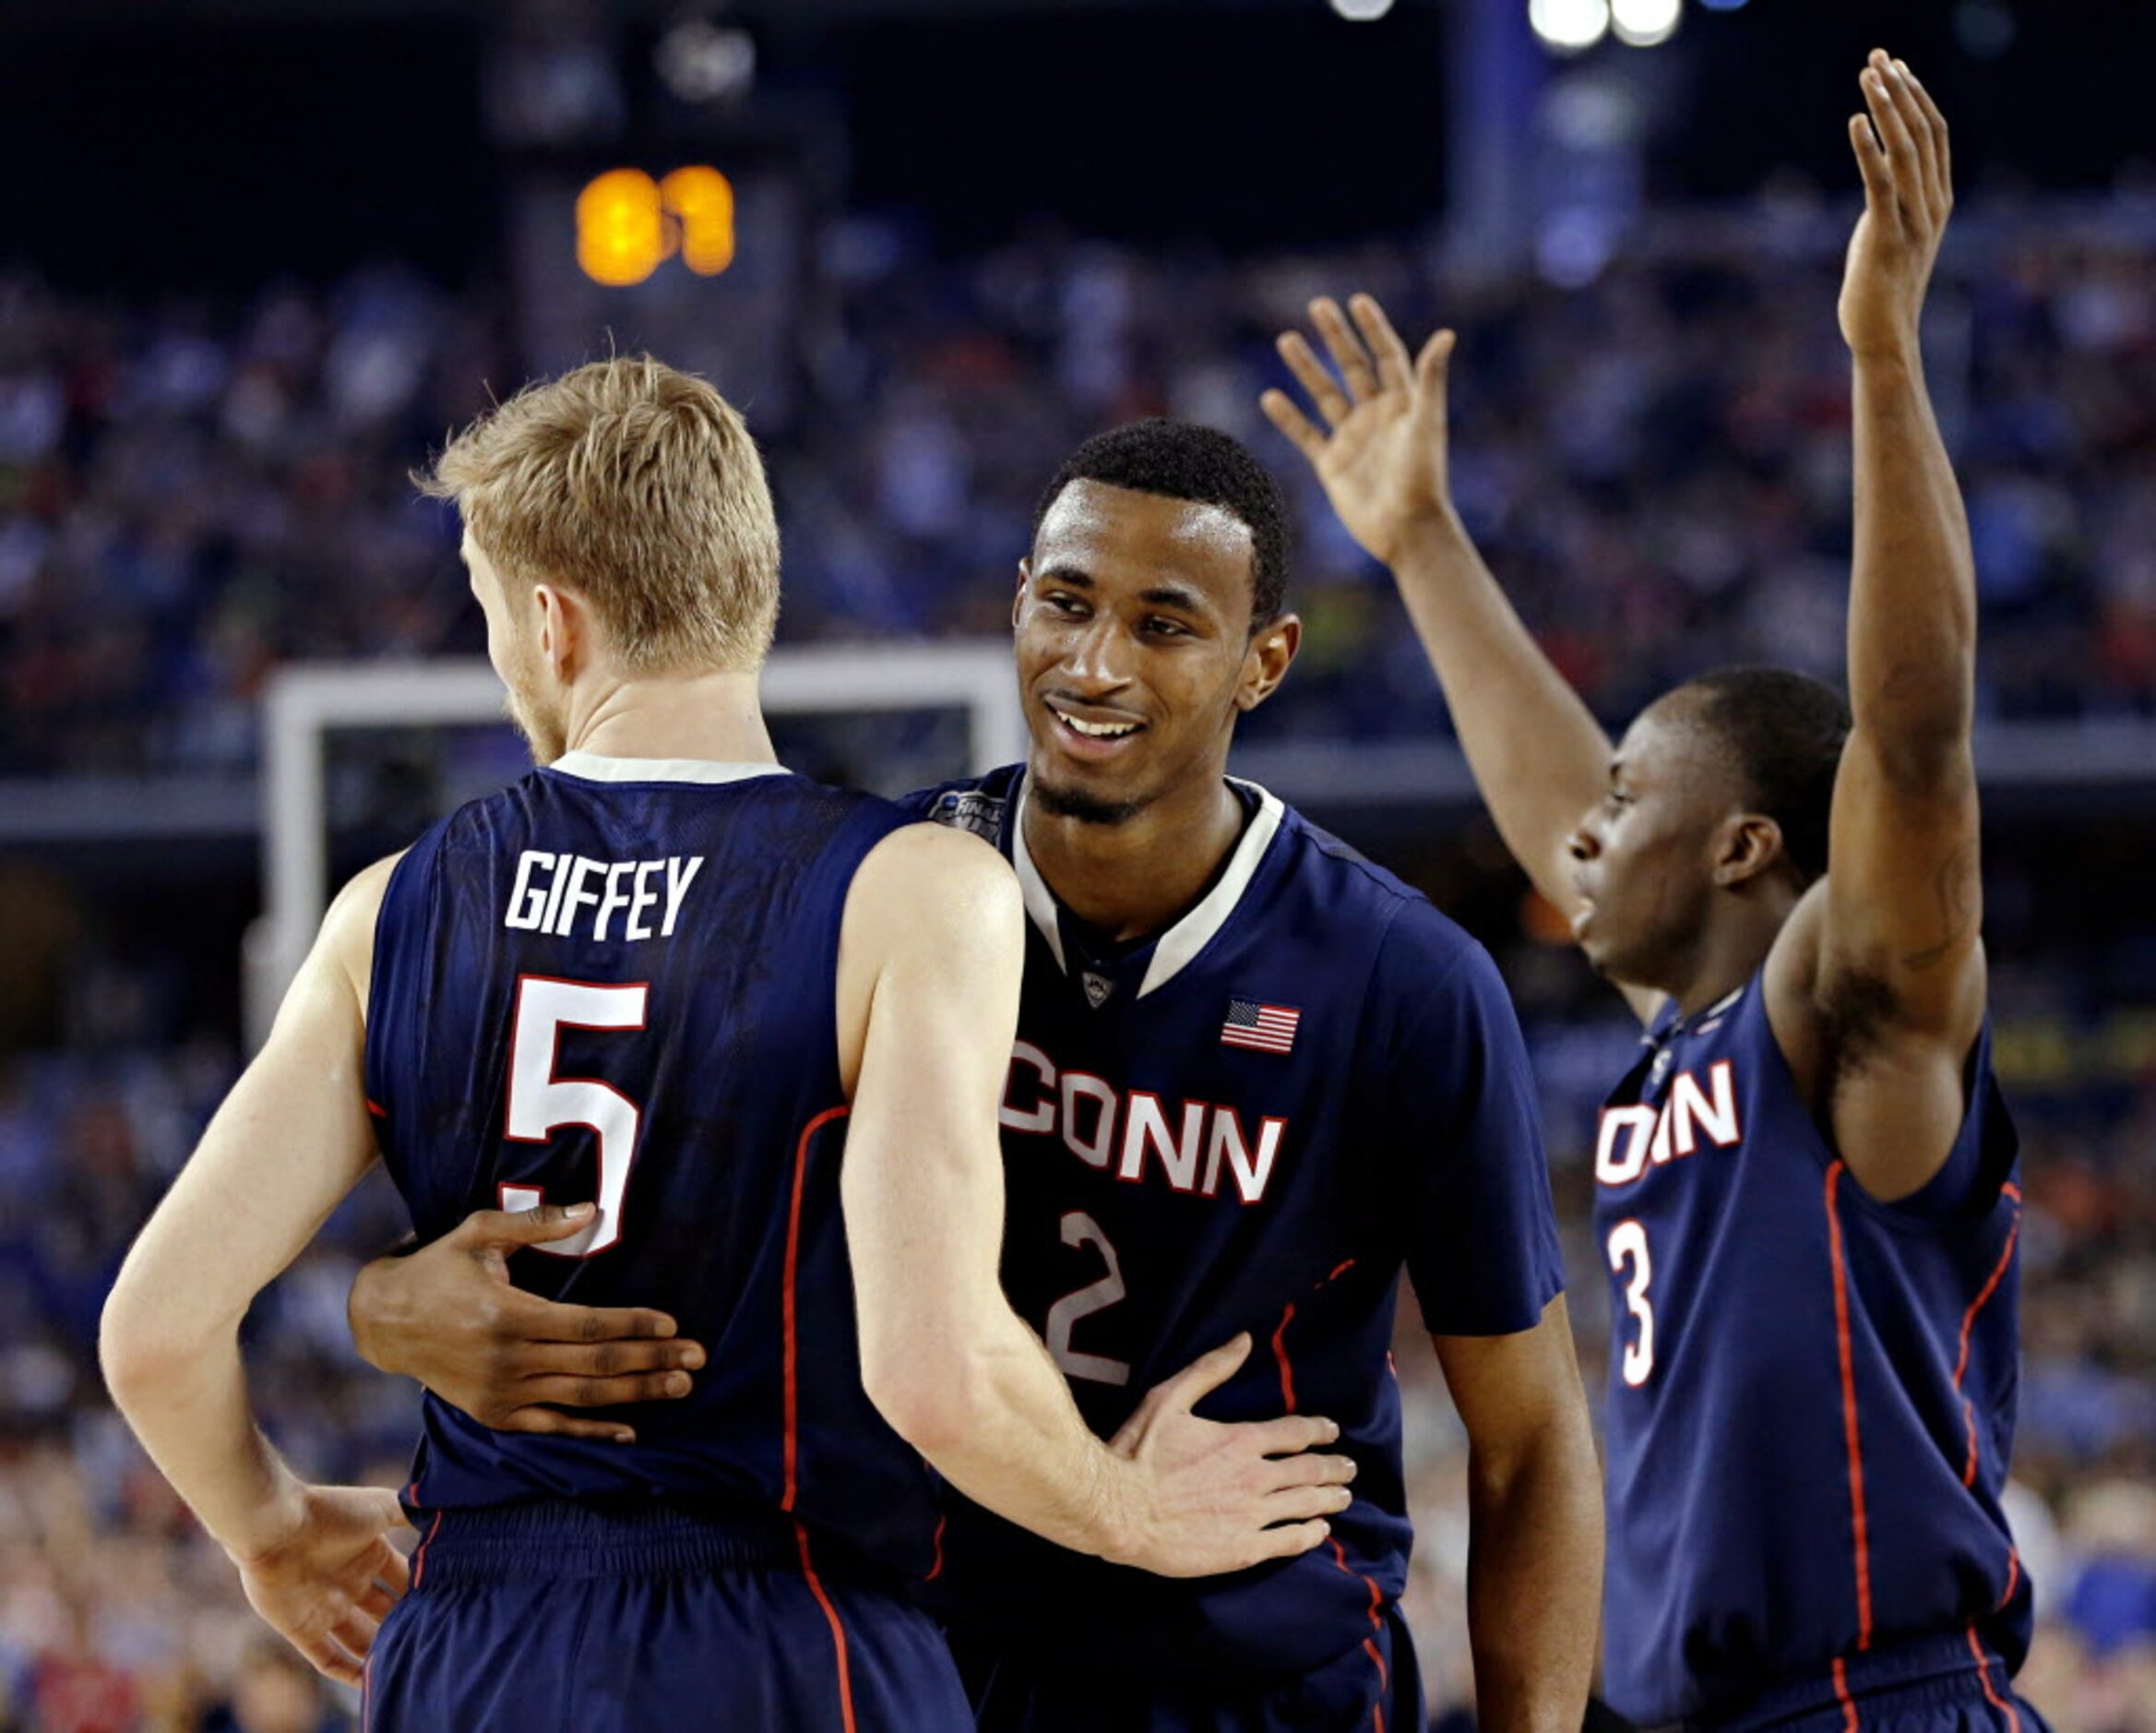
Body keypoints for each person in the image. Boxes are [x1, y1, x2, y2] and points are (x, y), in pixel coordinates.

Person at [100, 357, 1354, 1730]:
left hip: (474, 1631)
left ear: (550, 619)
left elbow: (154, 1333)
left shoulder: (385, 909)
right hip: (785, 1623)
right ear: (747, 587)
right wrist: (1135, 1513)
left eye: (491, 623)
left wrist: (270, 1527)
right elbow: (932, 1375)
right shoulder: (913, 889)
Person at [350, 415, 1605, 1730]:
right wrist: (382, 1304)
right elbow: (660, 1226)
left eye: (1163, 625)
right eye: (1064, 602)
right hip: (925, 1655)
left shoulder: (1402, 981)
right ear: (1016, 599)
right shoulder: (881, 891)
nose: (1094, 662)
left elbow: (1528, 1443)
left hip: (1251, 1671)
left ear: (1263, 660)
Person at [1262, 53, 2043, 1733]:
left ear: (1751, 843)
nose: (1585, 835)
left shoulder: (1856, 1026)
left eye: (1634, 796)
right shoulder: (1688, 1042)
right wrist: (1419, 546)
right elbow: (1557, 822)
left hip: (1874, 1701)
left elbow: (1911, 736)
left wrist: (1880, 355)